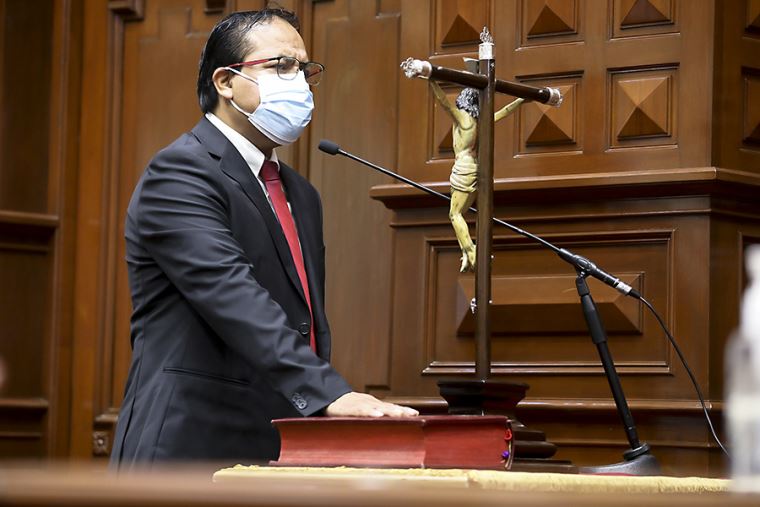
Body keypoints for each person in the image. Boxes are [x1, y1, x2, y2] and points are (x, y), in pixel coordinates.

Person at [110, 8, 417, 470]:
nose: (300, 83)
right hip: (188, 446)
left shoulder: (300, 193)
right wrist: (328, 393)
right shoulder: (180, 173)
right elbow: (234, 297)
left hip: (280, 445)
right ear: (225, 82)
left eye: (304, 69)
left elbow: (304, 321)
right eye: (281, 66)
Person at [428, 81, 523, 272]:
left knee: (455, 214)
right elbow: (504, 112)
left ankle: (471, 251)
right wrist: (520, 100)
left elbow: (444, 102)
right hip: (477, 168)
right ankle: (466, 253)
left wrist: (431, 80)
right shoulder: (481, 121)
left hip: (463, 168)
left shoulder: (463, 119)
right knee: (468, 213)